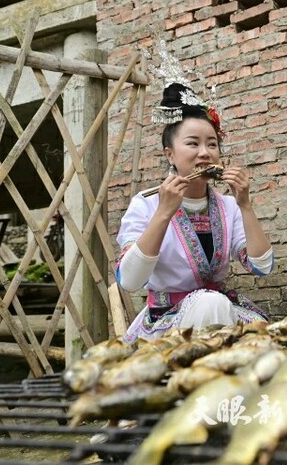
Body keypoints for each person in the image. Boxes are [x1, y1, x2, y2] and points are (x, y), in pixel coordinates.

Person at [116, 75, 273, 342]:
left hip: (220, 312)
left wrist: (245, 205)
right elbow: (129, 281)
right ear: (170, 154)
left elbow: (261, 266)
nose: (205, 153)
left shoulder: (228, 206)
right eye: (192, 143)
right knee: (209, 304)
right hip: (168, 324)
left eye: (212, 144)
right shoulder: (146, 203)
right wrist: (164, 212)